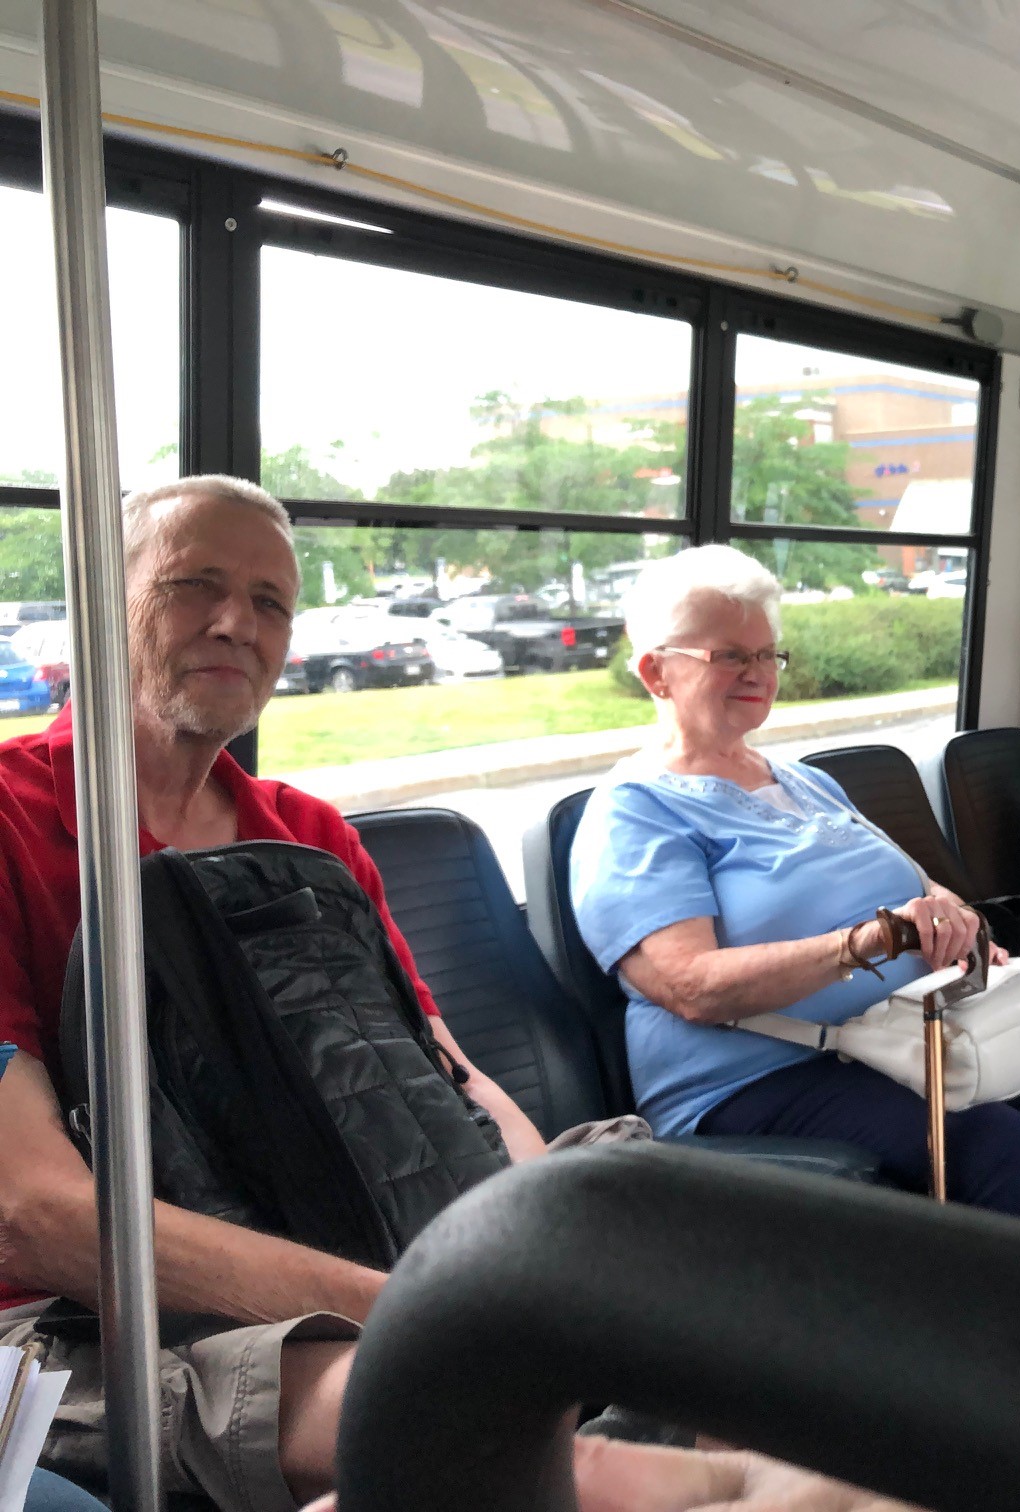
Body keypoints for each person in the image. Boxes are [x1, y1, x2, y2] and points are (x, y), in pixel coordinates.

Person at [0, 477, 917, 1512]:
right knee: (431, 1406)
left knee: (732, 1254)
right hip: (87, 1307)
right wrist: (430, 1306)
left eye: (269, 602)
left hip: (369, 1214)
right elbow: (33, 1213)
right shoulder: (9, 823)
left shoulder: (310, 838)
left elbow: (450, 1080)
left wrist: (516, 1233)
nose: (234, 622)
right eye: (192, 585)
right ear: (99, 600)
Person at [570, 546, 1020, 1240]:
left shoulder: (805, 782)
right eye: (731, 656)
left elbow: (921, 887)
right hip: (753, 1079)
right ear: (657, 671)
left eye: (769, 655)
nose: (759, 674)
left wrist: (953, 920)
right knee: (995, 1147)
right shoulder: (636, 811)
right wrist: (866, 942)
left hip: (887, 1041)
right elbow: (690, 986)